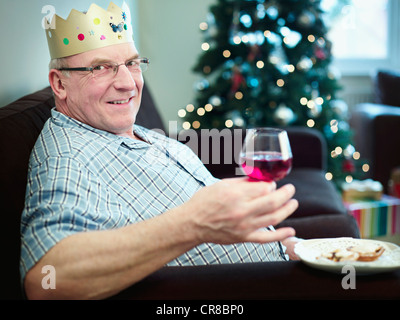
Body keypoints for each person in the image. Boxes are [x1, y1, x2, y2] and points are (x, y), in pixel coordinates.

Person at [20, 2, 299, 300]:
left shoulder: (133, 132)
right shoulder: (68, 157)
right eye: (100, 68)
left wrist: (302, 250)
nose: (128, 83)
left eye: (132, 63)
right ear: (59, 84)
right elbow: (46, 283)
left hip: (290, 262)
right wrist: (192, 223)